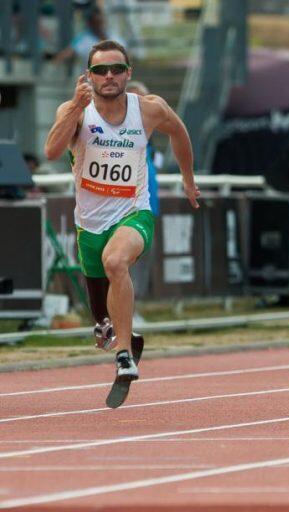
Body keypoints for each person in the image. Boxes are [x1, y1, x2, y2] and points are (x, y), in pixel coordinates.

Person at [44, 39, 200, 381]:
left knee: (115, 262)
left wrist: (188, 179)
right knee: (101, 319)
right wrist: (75, 105)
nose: (109, 76)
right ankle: (113, 330)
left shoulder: (148, 109)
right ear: (89, 76)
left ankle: (124, 355)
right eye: (101, 70)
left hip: (133, 212)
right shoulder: (75, 111)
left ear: (128, 73)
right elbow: (52, 151)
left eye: (116, 69)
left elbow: (179, 132)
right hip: (89, 223)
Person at [125, 80, 160, 304]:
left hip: (149, 209)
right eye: (139, 103)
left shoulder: (148, 139)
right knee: (125, 266)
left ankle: (133, 310)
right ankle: (123, 314)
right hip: (128, 211)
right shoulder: (121, 136)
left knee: (141, 268)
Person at [53, 6, 125, 69]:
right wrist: (55, 61)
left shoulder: (114, 36)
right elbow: (68, 53)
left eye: (100, 22)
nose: (99, 26)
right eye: (96, 22)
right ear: (90, 23)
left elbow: (126, 53)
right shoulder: (83, 38)